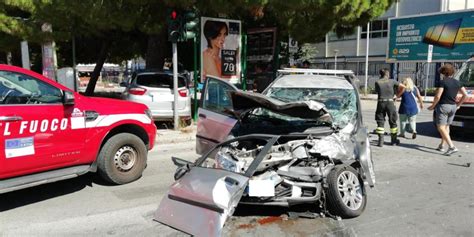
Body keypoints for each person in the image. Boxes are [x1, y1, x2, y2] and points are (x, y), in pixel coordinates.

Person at [427, 64, 468, 155]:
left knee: (441, 127)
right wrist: (458, 105)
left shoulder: (443, 82)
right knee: (446, 127)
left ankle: (452, 146)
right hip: (453, 106)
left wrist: (433, 106)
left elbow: (438, 96)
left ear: (443, 73)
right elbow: (465, 95)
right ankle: (442, 145)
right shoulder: (458, 82)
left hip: (443, 106)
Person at [375, 68, 405, 147]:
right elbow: (403, 87)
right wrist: (397, 96)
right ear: (387, 74)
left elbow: (377, 91)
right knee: (393, 121)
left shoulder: (377, 82)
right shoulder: (392, 81)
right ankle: (394, 141)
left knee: (380, 121)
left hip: (380, 102)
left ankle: (380, 141)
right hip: (390, 103)